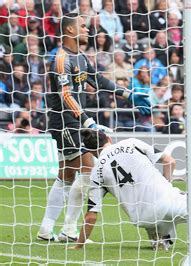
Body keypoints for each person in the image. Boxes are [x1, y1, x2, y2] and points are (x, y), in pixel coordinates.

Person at [37, 13, 151, 242]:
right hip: (65, 122)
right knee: (91, 170)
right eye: (82, 26)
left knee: (66, 176)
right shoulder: (61, 59)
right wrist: (88, 121)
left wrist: (128, 94)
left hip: (74, 122)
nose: (88, 29)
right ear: (70, 31)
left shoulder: (80, 57)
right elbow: (65, 95)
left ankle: (46, 230)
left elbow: (98, 80)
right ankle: (69, 230)